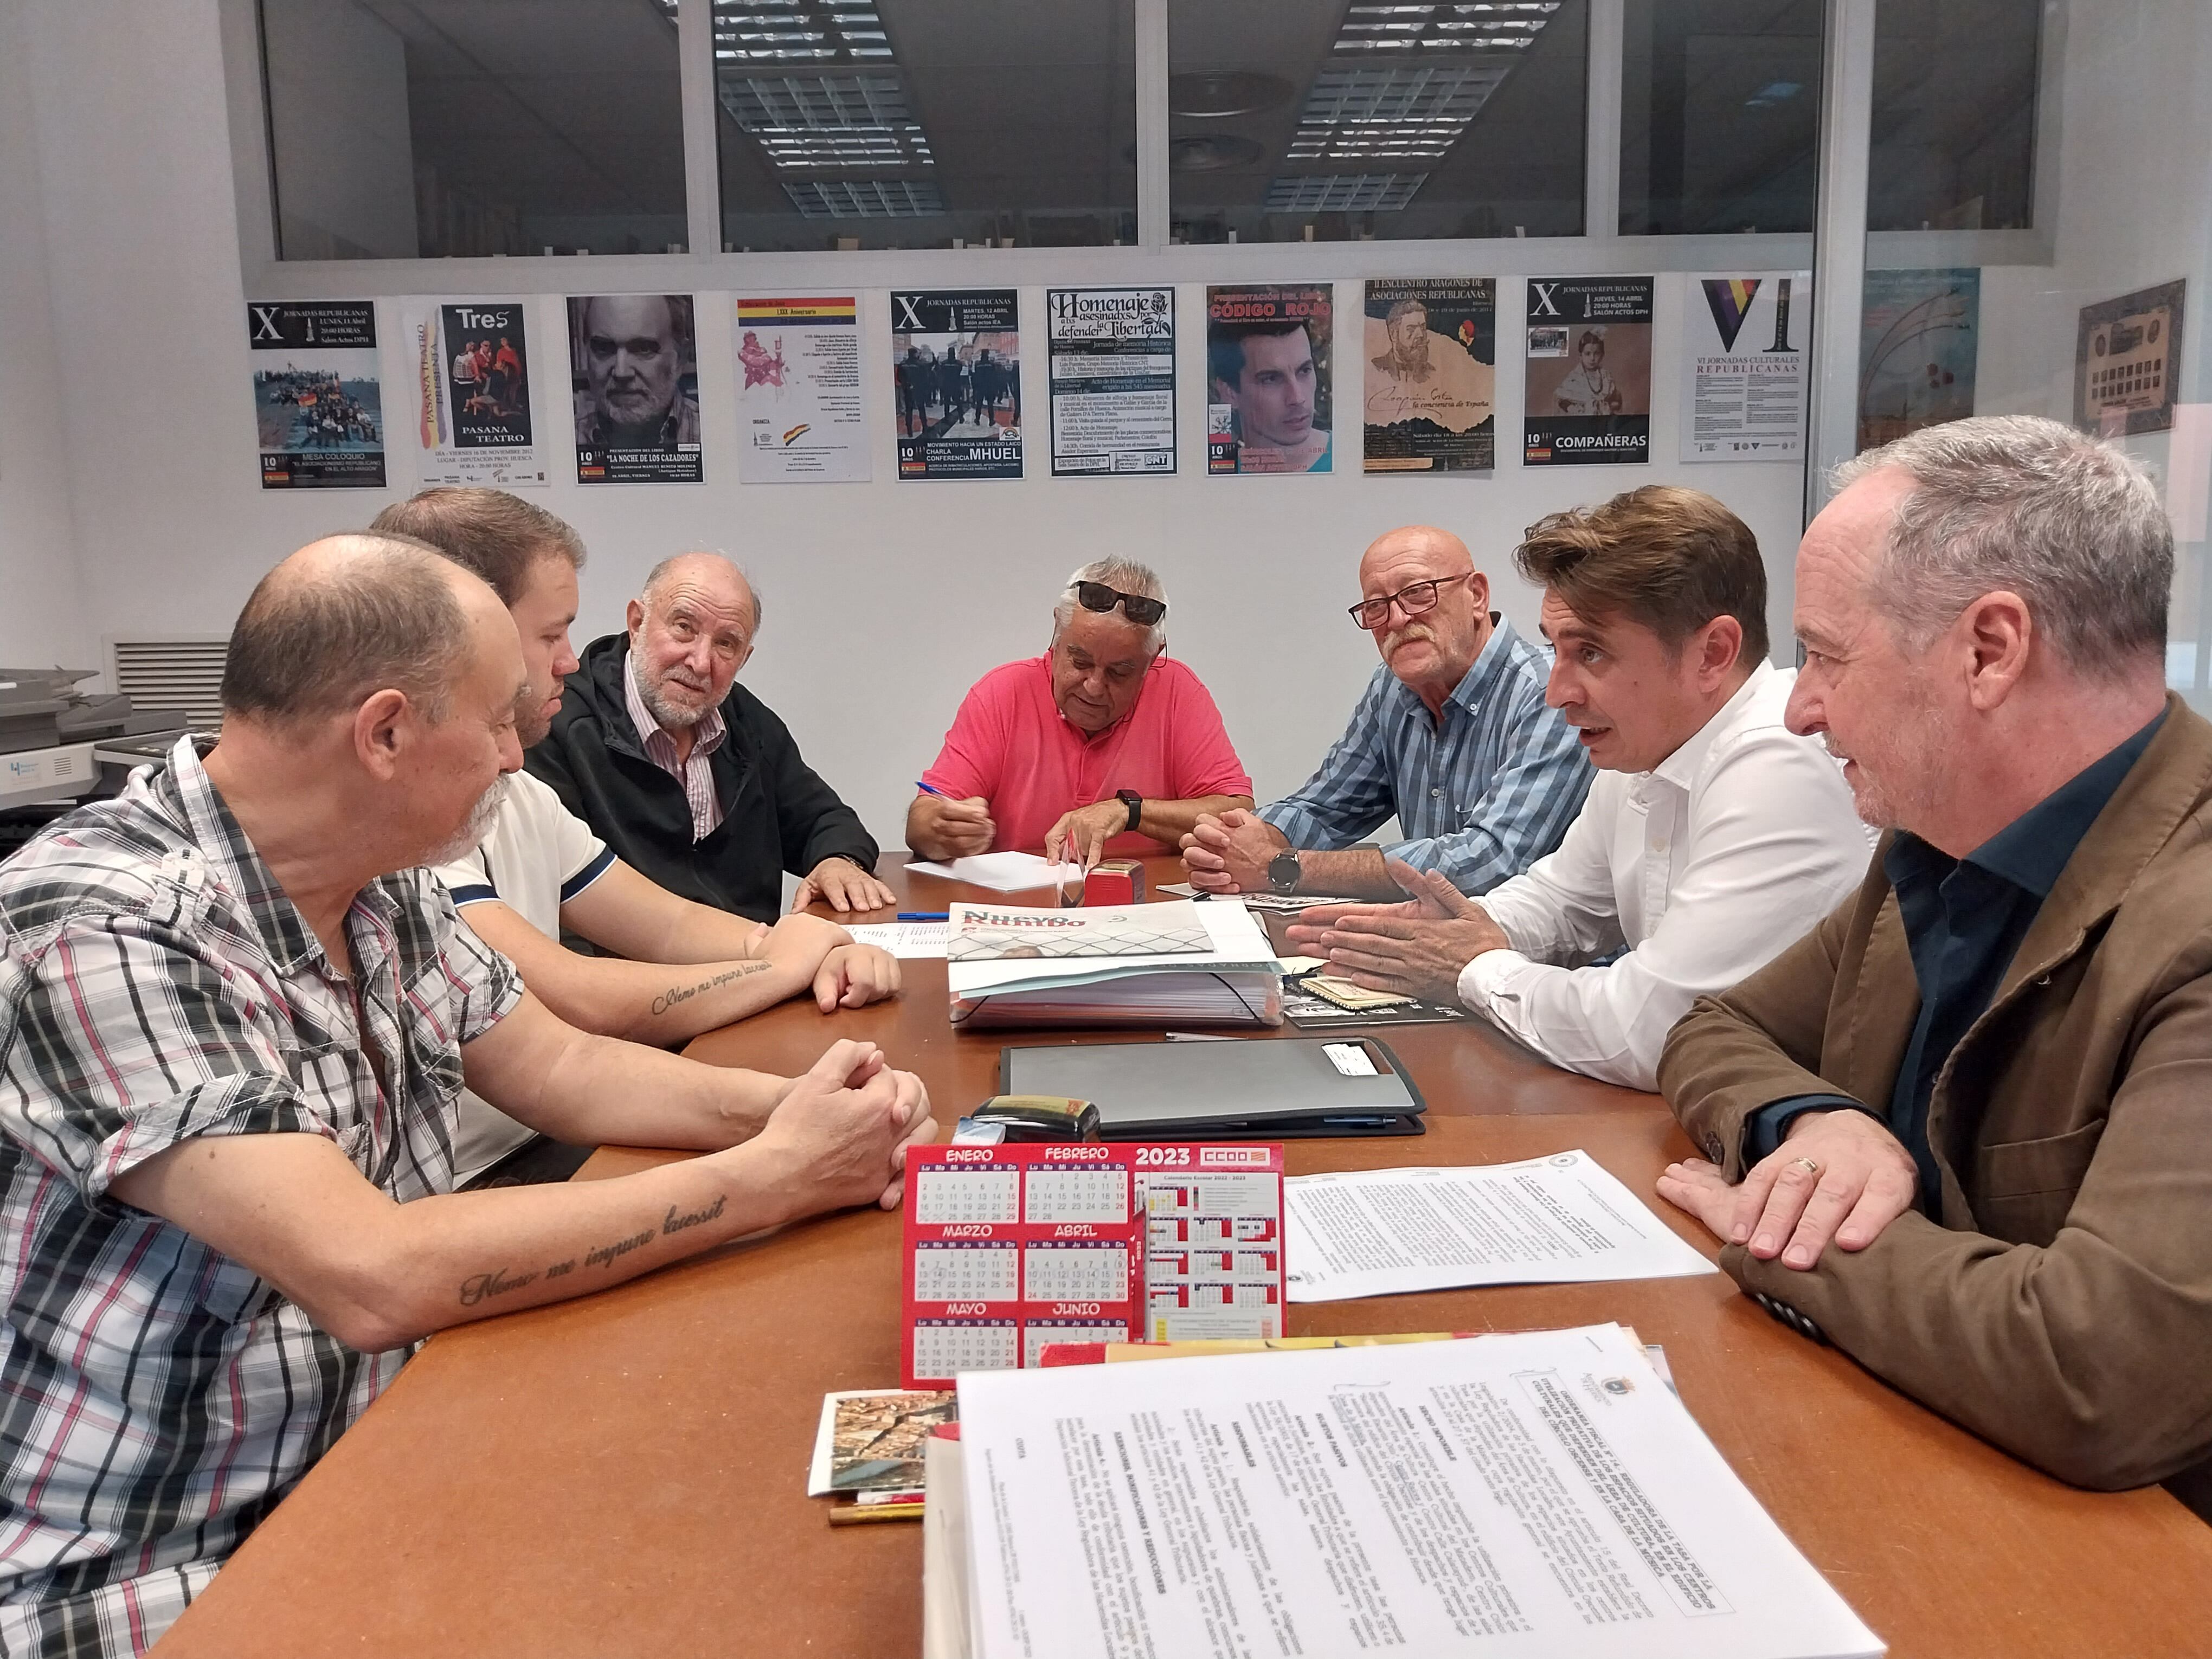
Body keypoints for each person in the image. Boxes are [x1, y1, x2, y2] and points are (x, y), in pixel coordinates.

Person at [0, 533, 935, 1655]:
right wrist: (770, 1177)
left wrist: (803, 1116)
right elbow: (373, 1271)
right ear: (387, 732)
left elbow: (560, 1066)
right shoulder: (104, 925)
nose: (513, 757)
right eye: (495, 722)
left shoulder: (376, 885)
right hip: (165, 1570)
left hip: (377, 1448)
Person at [1653, 415, 2212, 1508]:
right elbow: (1714, 1027)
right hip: (1903, 1450)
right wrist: (1810, 1124)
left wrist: (1790, 1232)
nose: (1803, 708)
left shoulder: (2190, 927)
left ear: (1991, 649)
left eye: (1828, 655)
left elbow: (2099, 1375)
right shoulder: (1937, 849)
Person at [372, 489, 902, 1187]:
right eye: (550, 634)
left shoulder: (519, 793)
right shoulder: (409, 828)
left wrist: (807, 950)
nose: (569, 659)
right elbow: (575, 999)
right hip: (481, 1171)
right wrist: (777, 970)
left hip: (548, 1132)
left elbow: (665, 929)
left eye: (727, 646)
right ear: (468, 637)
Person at [1285, 487, 1869, 1090]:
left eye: (1590, 653)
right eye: (1556, 649)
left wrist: (1471, 966)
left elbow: (1653, 1030)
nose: (1556, 691)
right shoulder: (1646, 750)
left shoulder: (1781, 759)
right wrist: (1455, 927)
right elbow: (1562, 899)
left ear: (1712, 654)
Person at [1182, 524, 1591, 902]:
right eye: (1376, 606)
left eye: (1418, 593)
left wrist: (1279, 867)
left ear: (1477, 595)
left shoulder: (1548, 693)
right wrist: (1234, 846)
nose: (1396, 619)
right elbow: (1326, 808)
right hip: (1440, 946)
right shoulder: (1393, 688)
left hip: (1555, 966)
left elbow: (1492, 860)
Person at [526, 550, 896, 921]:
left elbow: (824, 819)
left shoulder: (746, 722)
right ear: (637, 624)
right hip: (631, 973)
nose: (700, 662)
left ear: (744, 658)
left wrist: (839, 861)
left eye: (726, 644)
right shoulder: (557, 727)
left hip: (759, 964)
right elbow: (559, 905)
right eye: (684, 627)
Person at [908, 558, 1255, 868]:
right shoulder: (1002, 692)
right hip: (1020, 912)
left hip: (1144, 905)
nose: (1093, 686)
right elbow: (923, 821)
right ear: (1057, 631)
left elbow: (1237, 813)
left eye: (1119, 672)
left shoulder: (1178, 691)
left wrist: (1129, 812)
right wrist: (940, 828)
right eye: (1080, 661)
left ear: (1153, 660)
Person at [573, 294, 700, 451]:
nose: (621, 372)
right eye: (603, 348)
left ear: (679, 359)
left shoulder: (715, 434)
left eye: (643, 349)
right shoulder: (563, 440)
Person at [1210, 315, 1330, 473]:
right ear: (1230, 393)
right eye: (1271, 379)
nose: (1298, 398)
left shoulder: (1348, 458)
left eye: (1304, 370)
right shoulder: (1219, 476)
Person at [1363, 296, 1491, 433]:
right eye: (1411, 329)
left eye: (1423, 328)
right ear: (1393, 334)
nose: (1420, 336)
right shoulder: (1376, 369)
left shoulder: (1432, 373)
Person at [1554, 329, 1622, 417]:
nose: (1592, 358)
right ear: (1581, 356)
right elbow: (1562, 400)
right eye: (1588, 354)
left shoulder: (1606, 377)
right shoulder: (1575, 378)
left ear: (1602, 356)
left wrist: (1608, 406)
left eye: (1596, 354)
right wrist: (1572, 408)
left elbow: (1616, 400)